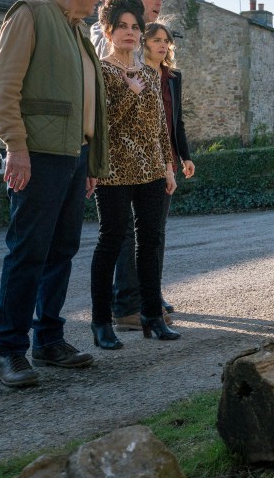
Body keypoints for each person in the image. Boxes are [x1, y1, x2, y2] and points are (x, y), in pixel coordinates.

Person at [0, 0, 109, 388]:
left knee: (61, 250)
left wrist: (90, 162)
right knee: (28, 251)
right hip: (37, 153)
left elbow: (86, 101)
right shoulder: (31, 14)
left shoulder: (78, 31)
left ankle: (49, 340)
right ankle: (10, 351)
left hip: (73, 156)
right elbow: (3, 84)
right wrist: (15, 146)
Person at [89, 0, 179, 349]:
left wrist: (167, 166)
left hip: (151, 172)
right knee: (110, 242)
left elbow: (159, 124)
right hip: (113, 171)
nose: (130, 32)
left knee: (151, 242)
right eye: (123, 27)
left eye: (135, 27)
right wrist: (129, 92)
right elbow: (101, 125)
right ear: (109, 31)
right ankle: (100, 323)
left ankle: (152, 316)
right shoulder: (103, 70)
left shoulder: (146, 71)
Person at [106, 23, 194, 327]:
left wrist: (184, 156)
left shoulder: (173, 78)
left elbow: (175, 122)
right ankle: (132, 301)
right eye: (156, 40)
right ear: (144, 43)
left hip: (164, 159)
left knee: (156, 232)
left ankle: (152, 293)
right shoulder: (135, 71)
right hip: (135, 159)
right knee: (131, 234)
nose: (163, 45)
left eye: (166, 41)